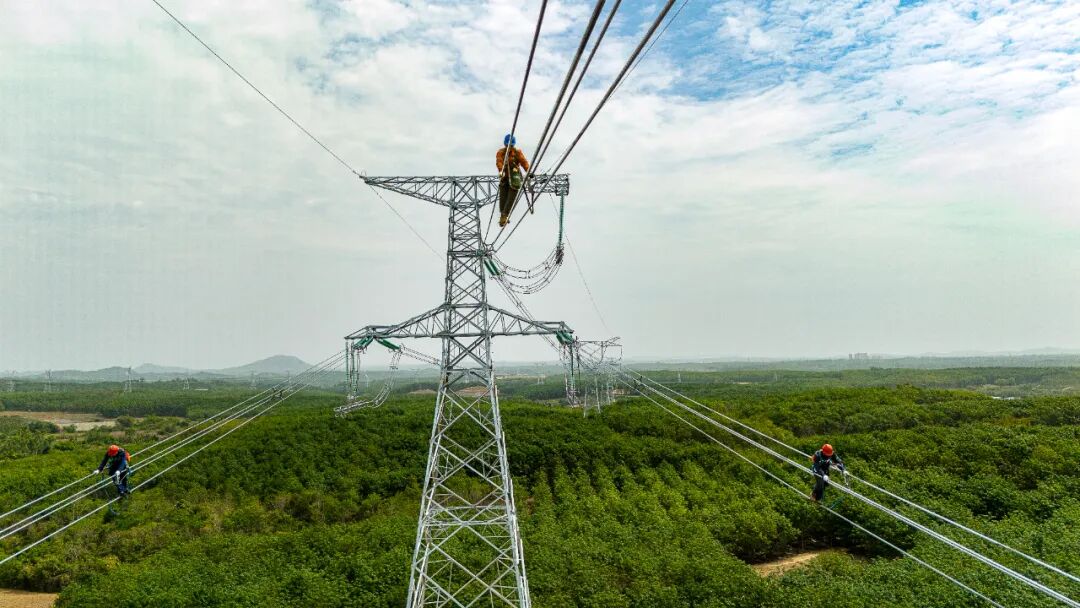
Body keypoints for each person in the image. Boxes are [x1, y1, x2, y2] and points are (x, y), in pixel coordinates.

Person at [495, 134, 530, 227]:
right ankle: (503, 215)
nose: (509, 147)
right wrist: (501, 170)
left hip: (514, 174)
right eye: (508, 145)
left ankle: (505, 215)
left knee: (513, 190)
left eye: (510, 145)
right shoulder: (501, 153)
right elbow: (499, 162)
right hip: (504, 175)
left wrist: (528, 171)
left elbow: (523, 162)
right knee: (503, 194)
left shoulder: (517, 153)